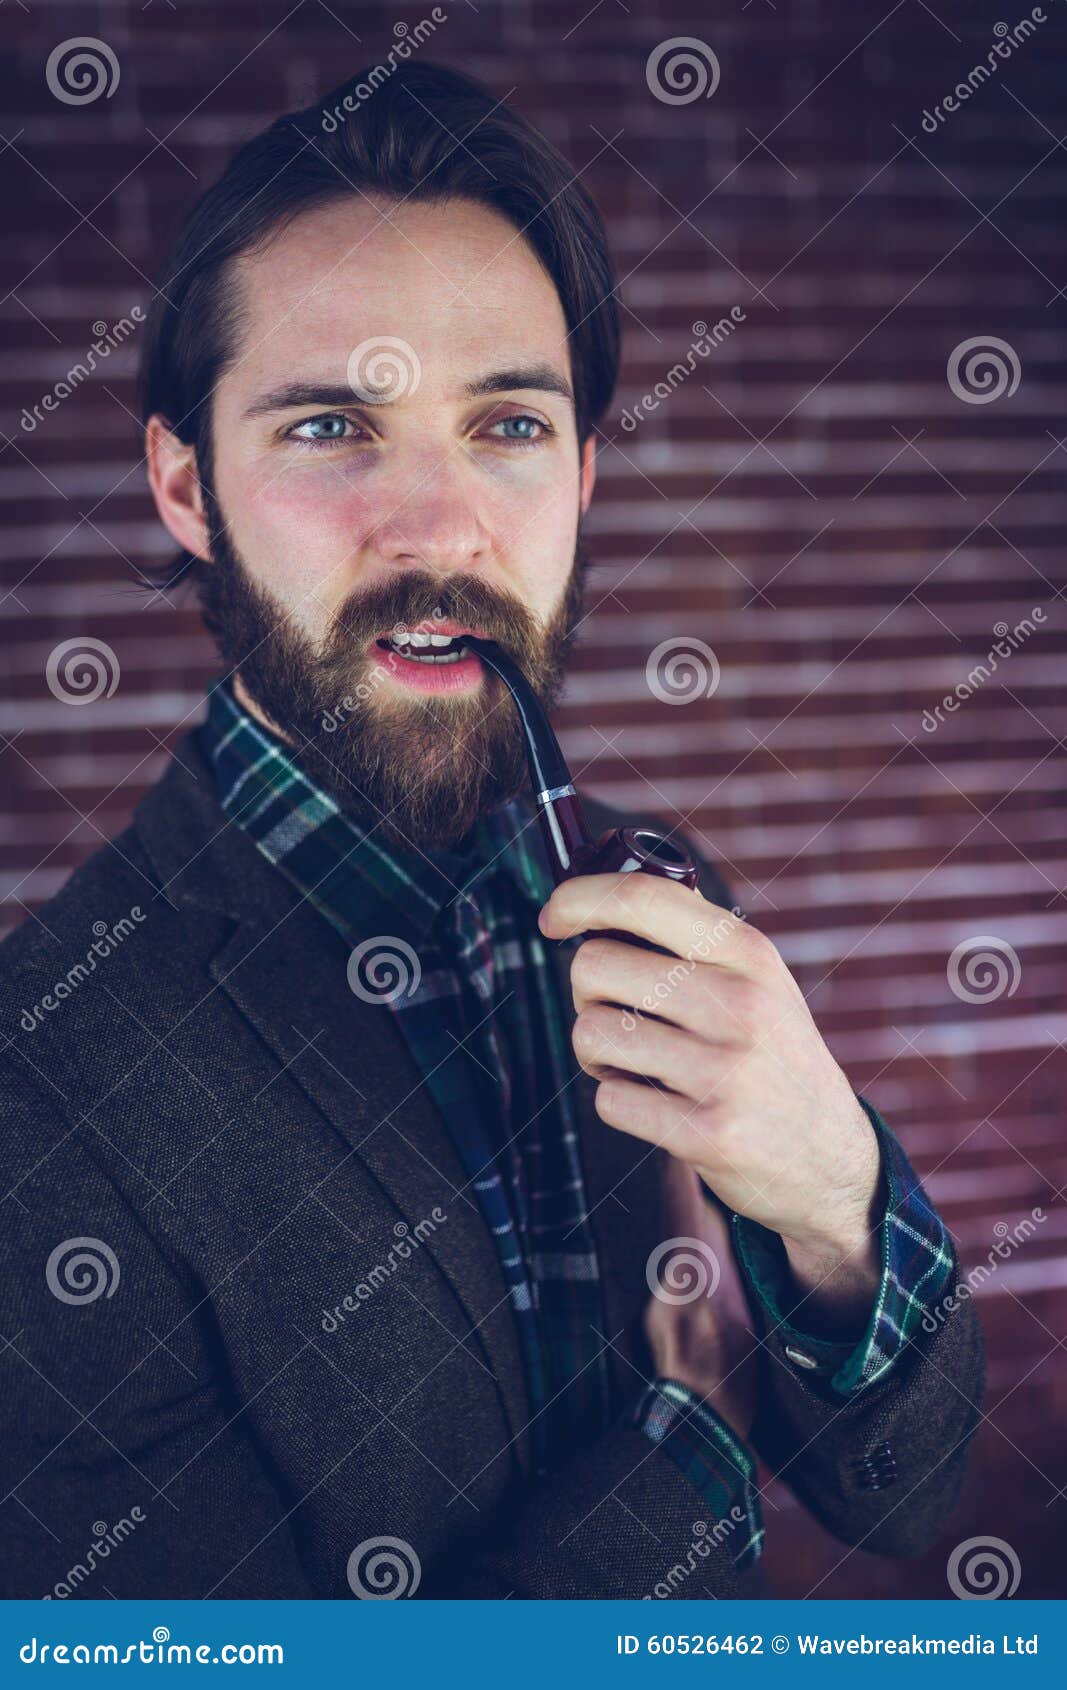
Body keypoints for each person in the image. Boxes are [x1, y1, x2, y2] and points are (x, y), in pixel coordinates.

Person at [0, 60, 983, 1600]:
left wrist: (833, 1194)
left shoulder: (654, 890)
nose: (440, 527)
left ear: (584, 474)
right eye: (332, 425)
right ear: (186, 484)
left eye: (508, 425)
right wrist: (700, 1440)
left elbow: (910, 1494)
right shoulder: (44, 1079)